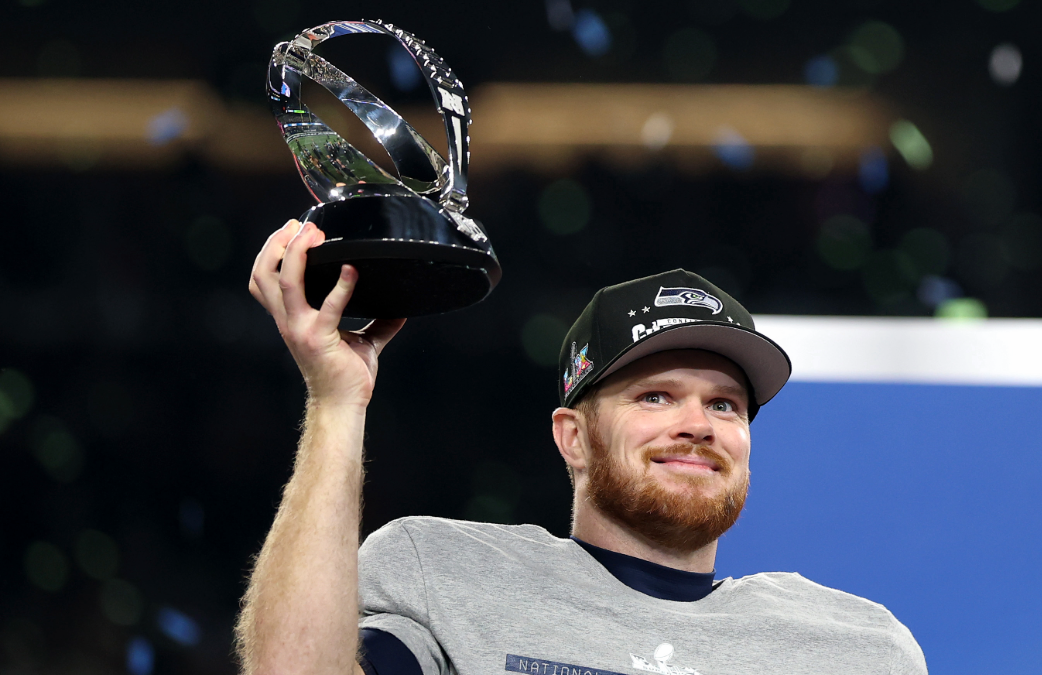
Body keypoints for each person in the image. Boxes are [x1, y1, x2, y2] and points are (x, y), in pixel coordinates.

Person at [236, 218, 928, 675]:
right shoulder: (445, 576)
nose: (698, 422)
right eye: (655, 396)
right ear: (572, 437)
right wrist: (335, 401)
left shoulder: (861, 648)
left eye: (724, 403)